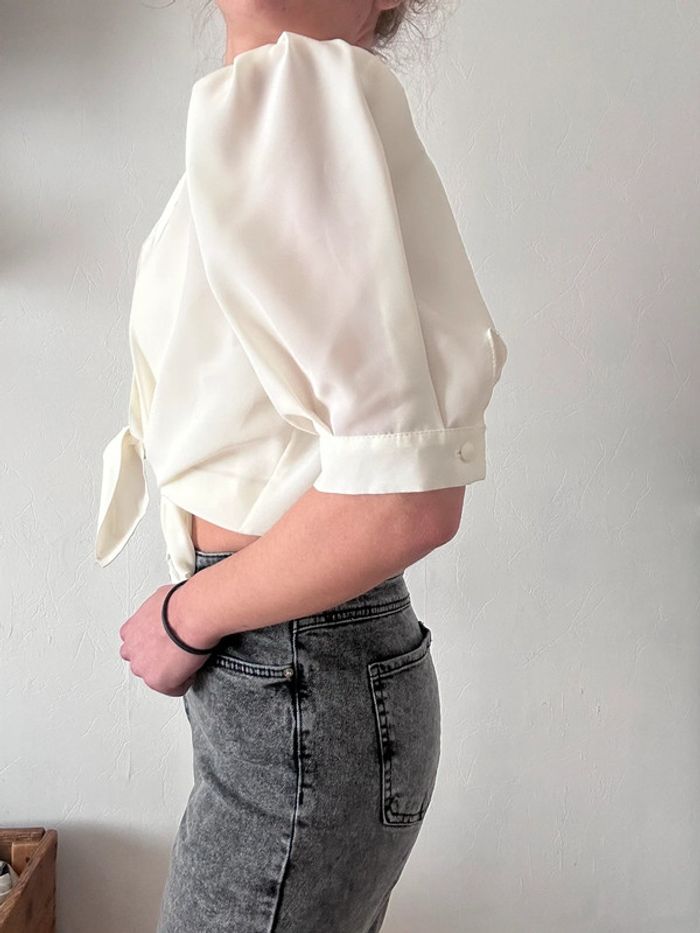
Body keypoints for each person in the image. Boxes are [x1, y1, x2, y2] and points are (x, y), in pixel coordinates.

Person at [97, 2, 508, 930]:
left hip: (294, 670)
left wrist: (186, 614)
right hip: (297, 674)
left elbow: (405, 497)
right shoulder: (280, 104)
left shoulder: (295, 94)